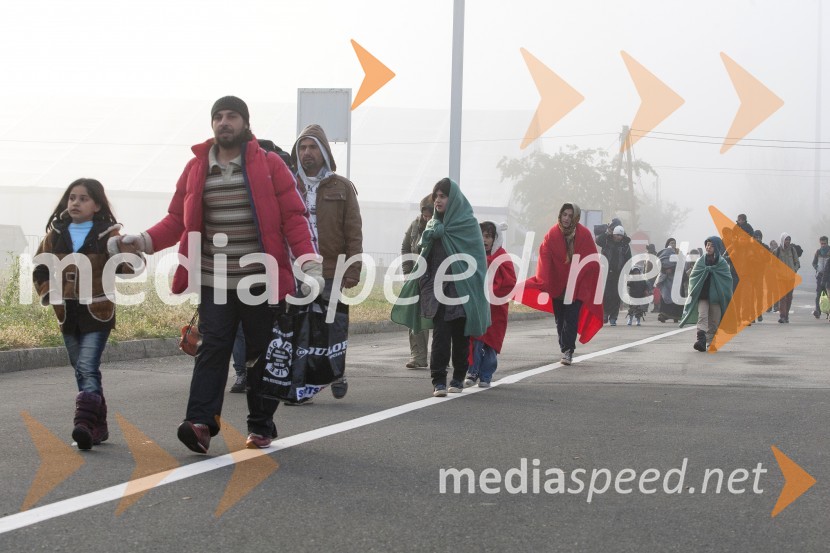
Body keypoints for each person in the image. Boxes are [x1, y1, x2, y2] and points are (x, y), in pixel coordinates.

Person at [117, 96, 321, 453]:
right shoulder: (196, 168)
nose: (224, 122)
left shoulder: (270, 164)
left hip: (262, 281)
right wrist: (144, 241)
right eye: (218, 117)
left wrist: (308, 260)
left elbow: (293, 216)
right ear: (212, 124)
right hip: (216, 282)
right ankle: (200, 424)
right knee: (212, 351)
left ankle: (260, 424)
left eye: (232, 116)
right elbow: (177, 220)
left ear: (245, 123)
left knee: (261, 354)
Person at [33, 178, 141, 450]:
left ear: (96, 205)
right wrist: (48, 292)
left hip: (98, 311)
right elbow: (40, 269)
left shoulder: (108, 235)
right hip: (67, 313)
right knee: (81, 369)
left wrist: (126, 250)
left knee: (86, 366)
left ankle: (82, 424)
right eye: (72, 197)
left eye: (83, 198)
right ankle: (99, 426)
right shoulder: (55, 235)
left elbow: (128, 269)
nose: (75, 203)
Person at [391, 178, 490, 397]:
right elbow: (423, 254)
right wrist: (422, 280)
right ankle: (438, 381)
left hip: (462, 291)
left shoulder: (468, 225)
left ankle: (457, 378)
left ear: (452, 199)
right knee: (441, 337)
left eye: (443, 196)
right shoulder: (433, 225)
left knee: (461, 338)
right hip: (436, 291)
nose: (438, 200)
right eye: (436, 195)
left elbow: (477, 261)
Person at [290, 124, 363, 400]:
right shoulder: (287, 183)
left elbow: (353, 232)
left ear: (323, 152)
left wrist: (353, 269)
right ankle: (300, 384)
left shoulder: (341, 187)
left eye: (312, 147)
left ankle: (336, 371)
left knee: (331, 325)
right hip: (296, 268)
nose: (306, 153)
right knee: (299, 326)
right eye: (302, 147)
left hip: (332, 269)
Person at [516, 203, 603, 365]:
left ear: (575, 218)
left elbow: (592, 260)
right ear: (560, 215)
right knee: (560, 319)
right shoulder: (552, 234)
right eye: (564, 215)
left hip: (576, 287)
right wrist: (544, 280)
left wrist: (582, 276)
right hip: (558, 286)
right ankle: (565, 347)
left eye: (570, 216)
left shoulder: (584, 235)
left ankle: (568, 350)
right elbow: (544, 256)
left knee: (571, 318)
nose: (567, 218)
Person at [464, 221, 517, 388]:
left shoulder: (502, 257)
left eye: (487, 236)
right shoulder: (474, 256)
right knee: (475, 340)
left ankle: (486, 374)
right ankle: (472, 371)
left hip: (496, 309)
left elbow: (509, 282)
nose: (483, 239)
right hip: (478, 307)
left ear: (495, 238)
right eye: (481, 235)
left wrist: (491, 290)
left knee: (490, 344)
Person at [680, 236, 733, 352]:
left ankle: (710, 342)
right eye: (707, 245)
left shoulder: (722, 263)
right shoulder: (701, 261)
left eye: (712, 245)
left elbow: (727, 280)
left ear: (717, 248)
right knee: (702, 316)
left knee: (714, 321)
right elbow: (693, 277)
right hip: (703, 295)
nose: (708, 247)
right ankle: (701, 340)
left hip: (717, 297)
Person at [400, 194, 434, 368]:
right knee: (417, 317)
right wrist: (407, 273)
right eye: (425, 215)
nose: (427, 219)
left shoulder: (446, 226)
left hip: (439, 279)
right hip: (418, 278)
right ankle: (418, 357)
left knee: (441, 319)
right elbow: (406, 248)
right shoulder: (415, 226)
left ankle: (443, 356)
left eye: (430, 215)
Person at [596, 225, 632, 325]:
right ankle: (605, 313)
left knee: (616, 296)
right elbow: (598, 241)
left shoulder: (625, 246)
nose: (618, 237)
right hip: (606, 272)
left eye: (620, 235)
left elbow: (628, 259)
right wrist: (607, 232)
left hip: (619, 274)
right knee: (606, 294)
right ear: (613, 234)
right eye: (616, 235)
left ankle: (613, 317)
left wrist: (628, 272)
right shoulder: (606, 241)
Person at [656, 238, 685, 323]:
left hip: (676, 279)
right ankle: (663, 315)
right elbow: (659, 264)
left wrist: (672, 270)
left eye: (674, 243)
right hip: (666, 278)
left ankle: (676, 316)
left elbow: (681, 265)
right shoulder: (663, 254)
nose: (673, 245)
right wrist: (665, 270)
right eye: (671, 243)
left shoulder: (679, 254)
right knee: (665, 296)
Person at [774, 233, 800, 323]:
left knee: (789, 297)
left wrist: (794, 270)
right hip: (781, 278)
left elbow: (797, 262)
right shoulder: (777, 251)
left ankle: (787, 315)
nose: (787, 241)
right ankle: (782, 316)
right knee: (782, 297)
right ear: (782, 240)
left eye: (789, 240)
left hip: (790, 278)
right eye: (786, 239)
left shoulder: (792, 250)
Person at [811, 236, 830, 318]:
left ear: (827, 243)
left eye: (824, 243)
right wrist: (816, 267)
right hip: (820, 276)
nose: (823, 245)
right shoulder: (818, 252)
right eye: (821, 243)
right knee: (819, 294)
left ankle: (827, 311)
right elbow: (814, 262)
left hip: (829, 276)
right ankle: (817, 311)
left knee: (828, 295)